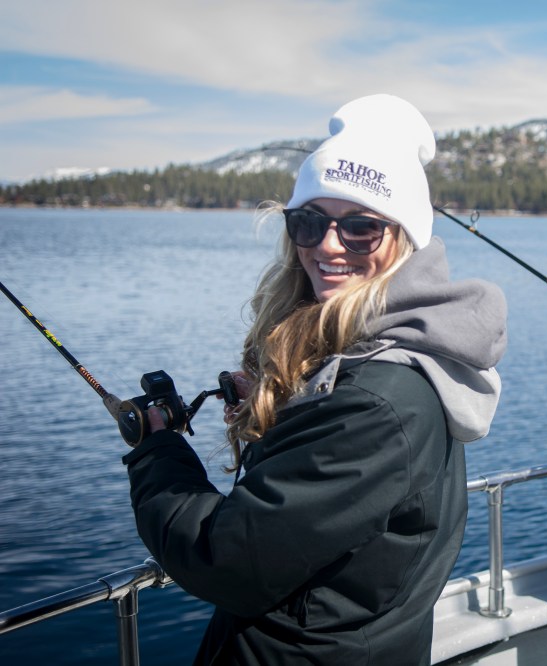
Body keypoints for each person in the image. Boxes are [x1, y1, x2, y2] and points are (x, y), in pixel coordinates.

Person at [122, 94, 508, 665]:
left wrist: (159, 452)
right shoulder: (390, 358)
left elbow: (226, 561)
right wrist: (288, 410)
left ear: (404, 238)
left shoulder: (379, 404)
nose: (328, 245)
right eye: (309, 222)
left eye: (360, 228)